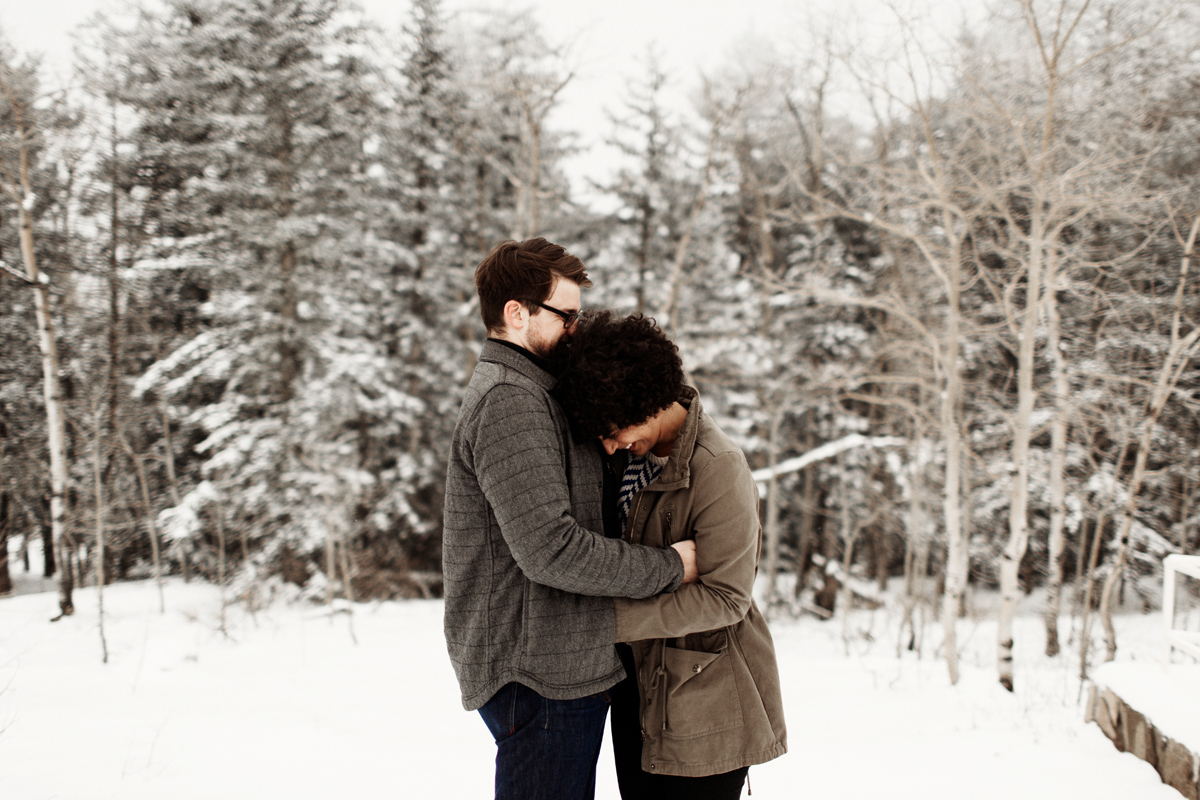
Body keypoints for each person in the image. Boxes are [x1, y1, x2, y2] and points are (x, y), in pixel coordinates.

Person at [442, 239, 699, 800]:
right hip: (537, 670)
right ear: (517, 313)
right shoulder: (510, 401)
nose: (576, 330)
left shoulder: (539, 393)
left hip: (560, 659)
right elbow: (551, 549)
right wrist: (668, 567)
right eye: (567, 316)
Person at [552, 310, 787, 800]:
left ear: (646, 398)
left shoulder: (719, 468)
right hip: (638, 693)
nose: (611, 445)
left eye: (614, 428)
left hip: (705, 700)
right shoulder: (634, 456)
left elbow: (726, 598)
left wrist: (611, 622)